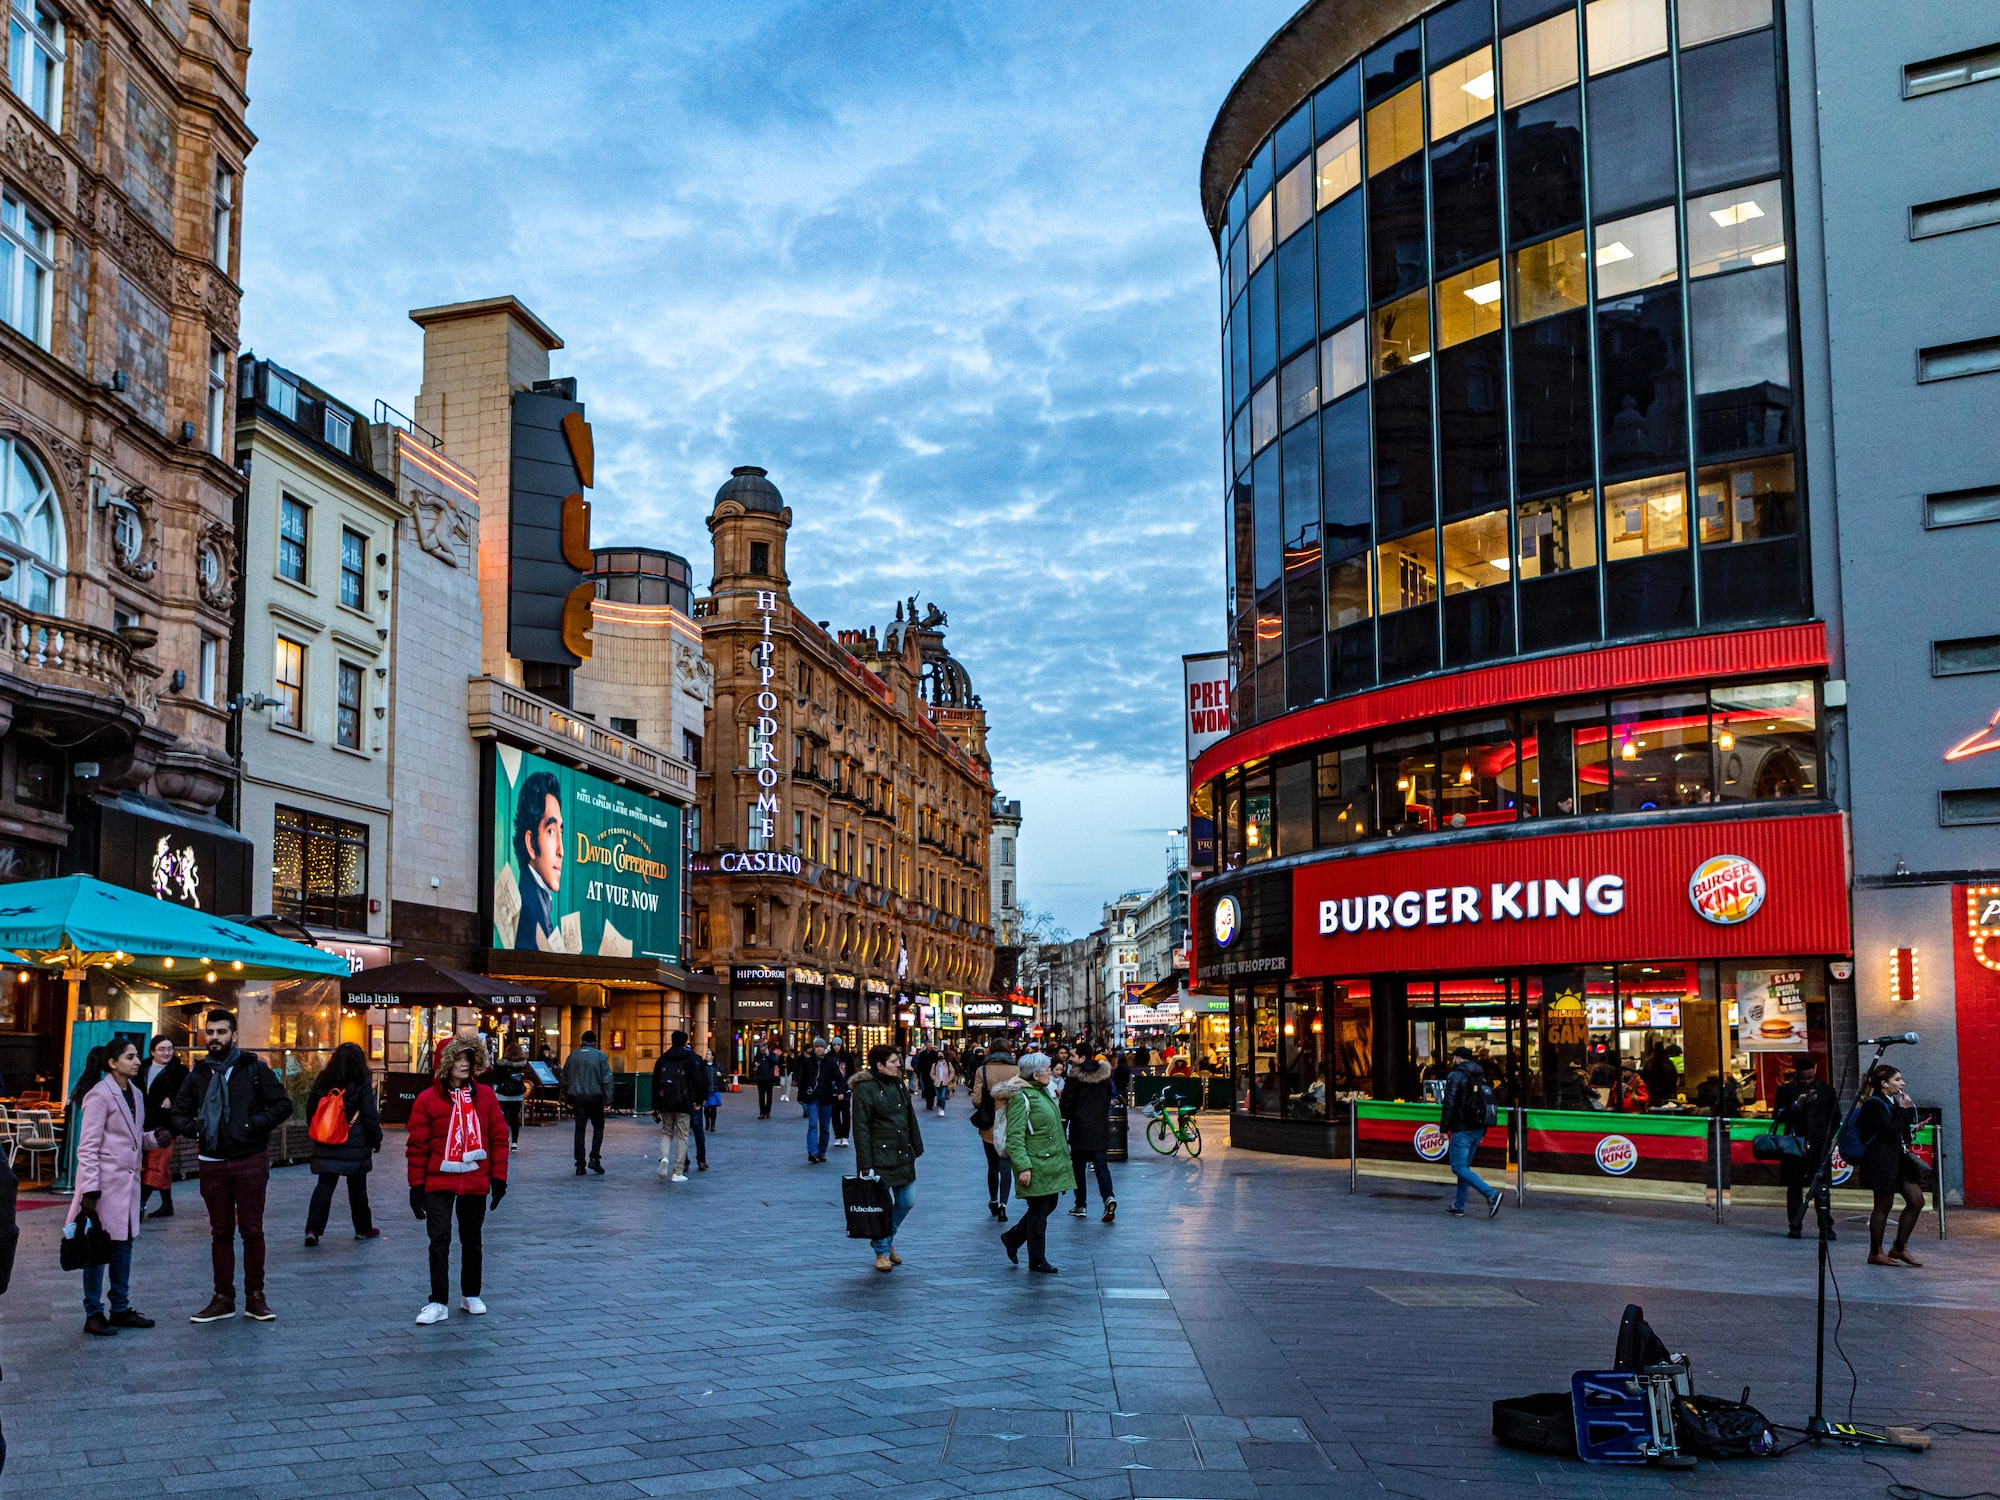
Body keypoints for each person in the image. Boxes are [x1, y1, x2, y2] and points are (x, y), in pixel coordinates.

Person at [172, 1009, 292, 1323]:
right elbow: (179, 1114)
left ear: (233, 1035)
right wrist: (198, 1130)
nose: (213, 1038)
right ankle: (223, 1298)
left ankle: (256, 1297)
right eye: (209, 1033)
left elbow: (282, 1105)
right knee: (221, 1231)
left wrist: (252, 1126)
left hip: (250, 1159)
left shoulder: (253, 1069)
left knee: (252, 1230)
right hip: (212, 1161)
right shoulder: (198, 1073)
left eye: (221, 1032)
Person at [406, 1036, 509, 1324]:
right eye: (458, 1059)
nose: (464, 1064)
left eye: (468, 1058)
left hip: (475, 1178)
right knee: (439, 1238)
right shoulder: (427, 1100)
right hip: (438, 1180)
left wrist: (498, 1178)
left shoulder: (485, 1096)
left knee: (471, 1239)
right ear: (445, 1063)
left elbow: (499, 1137)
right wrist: (416, 1186)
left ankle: (470, 1294)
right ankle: (438, 1301)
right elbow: (417, 1146)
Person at [68, 1035, 160, 1335]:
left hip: (128, 1184)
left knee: (123, 1246)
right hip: (104, 1187)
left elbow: (131, 1138)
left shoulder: (134, 1092)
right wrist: (90, 1189)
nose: (137, 1062)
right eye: (130, 1057)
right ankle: (93, 1312)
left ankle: (120, 1308)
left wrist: (153, 1139)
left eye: (137, 1056)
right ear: (112, 1063)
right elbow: (88, 1147)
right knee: (98, 1249)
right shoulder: (99, 1095)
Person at [994, 1052, 1074, 1273]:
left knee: (1050, 1205)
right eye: (1047, 1068)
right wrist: (1023, 1166)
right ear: (1036, 1074)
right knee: (1039, 1210)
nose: (1051, 1071)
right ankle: (1037, 1259)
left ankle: (1013, 1237)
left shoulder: (1041, 1092)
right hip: (1036, 1162)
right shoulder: (1022, 1097)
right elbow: (1015, 1135)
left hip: (1050, 1161)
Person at [851, 1044, 924, 1272]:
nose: (898, 1065)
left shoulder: (899, 1085)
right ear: (879, 1065)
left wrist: (916, 1146)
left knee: (907, 1201)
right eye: (893, 1062)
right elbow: (861, 1128)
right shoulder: (865, 1089)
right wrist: (866, 1165)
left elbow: (909, 1116)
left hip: (903, 1153)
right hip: (879, 1155)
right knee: (881, 1206)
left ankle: (885, 1238)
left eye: (898, 1060)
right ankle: (882, 1251)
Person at [303, 1042, 383, 1246]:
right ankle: (363, 1229)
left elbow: (311, 1107)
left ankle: (313, 1230)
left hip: (327, 1139)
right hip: (353, 1140)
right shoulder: (362, 1080)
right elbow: (369, 1114)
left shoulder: (325, 1078)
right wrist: (376, 1139)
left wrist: (320, 1129)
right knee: (357, 1187)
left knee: (324, 1186)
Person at [1854, 1063, 1925, 1268]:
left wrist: (1910, 1125)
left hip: (1897, 1161)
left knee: (1916, 1200)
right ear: (1884, 1083)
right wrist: (1903, 1111)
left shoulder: (1890, 1102)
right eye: (1897, 1080)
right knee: (1883, 1206)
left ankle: (1899, 1246)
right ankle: (1875, 1251)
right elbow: (1890, 1131)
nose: (1902, 1083)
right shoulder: (1874, 1104)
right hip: (1881, 1162)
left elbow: (1899, 1134)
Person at [1774, 1057, 1839, 1240]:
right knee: (1794, 1188)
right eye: (1803, 1079)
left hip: (1819, 1146)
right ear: (1797, 1075)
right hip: (1795, 1146)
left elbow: (1835, 1118)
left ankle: (1826, 1227)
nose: (1807, 1082)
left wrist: (1828, 1138)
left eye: (1810, 1078)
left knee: (1822, 1188)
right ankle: (1795, 1226)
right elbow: (1778, 1117)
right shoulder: (1786, 1091)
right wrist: (1797, 1104)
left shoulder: (1826, 1091)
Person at [1438, 1046, 1503, 1219]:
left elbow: (1449, 1104)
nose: (1452, 1060)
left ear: (1458, 1058)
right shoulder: (1480, 1075)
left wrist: (1444, 1128)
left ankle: (1491, 1194)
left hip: (1462, 1129)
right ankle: (1459, 1205)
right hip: (1478, 1128)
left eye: (1453, 1057)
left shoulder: (1456, 1076)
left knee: (1458, 1167)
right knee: (1463, 1168)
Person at [511, 768, 565, 950]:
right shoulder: (528, 912)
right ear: (531, 843)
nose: (561, 850)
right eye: (551, 831)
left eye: (561, 832)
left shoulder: (539, 899)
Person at [1060, 1046, 1117, 1223]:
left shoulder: (1074, 1079)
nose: (1069, 1058)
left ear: (1082, 1058)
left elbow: (1066, 1106)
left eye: (1073, 1056)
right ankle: (1108, 1197)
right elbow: (1108, 1099)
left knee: (1078, 1167)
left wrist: (1066, 1117)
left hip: (1080, 1129)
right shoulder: (1105, 1077)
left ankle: (1081, 1204)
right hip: (1100, 1127)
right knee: (1101, 1165)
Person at [969, 1042, 1019, 1220]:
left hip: (989, 1123)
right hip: (1011, 1122)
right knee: (1006, 1164)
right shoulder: (1016, 1071)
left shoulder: (982, 1071)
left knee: (992, 1165)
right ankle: (1004, 1204)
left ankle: (993, 1200)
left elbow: (976, 1100)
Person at [139, 1035, 186, 1219]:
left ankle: (140, 1204)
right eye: (162, 1049)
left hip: (166, 1127)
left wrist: (172, 1100)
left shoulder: (180, 1071)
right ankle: (167, 1205)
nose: (166, 1053)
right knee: (160, 1166)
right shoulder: (142, 1067)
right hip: (143, 1124)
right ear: (152, 1051)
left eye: (169, 1049)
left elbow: (189, 1095)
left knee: (156, 1164)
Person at [651, 1031, 704, 1182]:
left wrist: (655, 1105)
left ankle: (664, 1158)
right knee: (683, 1136)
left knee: (667, 1132)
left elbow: (655, 1083)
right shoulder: (689, 1060)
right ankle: (677, 1171)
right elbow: (697, 1081)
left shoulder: (662, 1059)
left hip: (666, 1102)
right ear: (685, 1042)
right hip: (683, 1102)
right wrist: (699, 1100)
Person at [562, 1030, 612, 1176]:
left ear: (582, 1040)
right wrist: (608, 1100)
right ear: (594, 1041)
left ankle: (579, 1164)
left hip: (578, 1098)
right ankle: (594, 1158)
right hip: (596, 1097)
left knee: (579, 1129)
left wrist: (567, 1097)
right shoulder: (600, 1056)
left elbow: (565, 1077)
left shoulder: (573, 1056)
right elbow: (607, 1079)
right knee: (598, 1127)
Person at [800, 1037, 847, 1161]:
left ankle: (822, 1152)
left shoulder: (830, 1062)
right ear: (813, 1048)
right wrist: (801, 1096)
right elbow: (803, 1080)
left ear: (825, 1048)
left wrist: (841, 1091)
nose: (819, 1049)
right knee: (813, 1124)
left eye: (821, 1047)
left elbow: (839, 1078)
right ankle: (812, 1152)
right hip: (813, 1098)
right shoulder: (808, 1062)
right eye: (817, 1047)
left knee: (825, 1127)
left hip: (826, 1098)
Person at [490, 1044, 529, 1146]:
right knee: (514, 1118)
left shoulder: (500, 1064)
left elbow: (495, 1079)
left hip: (503, 1094)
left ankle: (503, 1139)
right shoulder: (522, 1065)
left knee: (503, 1118)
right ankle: (514, 1143)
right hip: (517, 1094)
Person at [829, 1045, 854, 1148]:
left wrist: (849, 1086)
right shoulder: (829, 1057)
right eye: (834, 1045)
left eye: (838, 1045)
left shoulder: (847, 1057)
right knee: (834, 1114)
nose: (836, 1047)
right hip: (832, 1089)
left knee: (846, 1113)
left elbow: (852, 1072)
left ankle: (845, 1136)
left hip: (846, 1089)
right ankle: (838, 1135)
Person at [1641, 1042, 1679, 1109]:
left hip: (1653, 1093)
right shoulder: (1668, 1062)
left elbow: (1644, 1077)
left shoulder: (1649, 1063)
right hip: (1668, 1092)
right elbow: (1674, 1077)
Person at [752, 1043, 782, 1119]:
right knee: (761, 1096)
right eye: (760, 1049)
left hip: (769, 1078)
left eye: (763, 1050)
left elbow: (775, 1061)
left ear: (766, 1048)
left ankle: (768, 1112)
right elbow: (753, 1062)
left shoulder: (771, 1054)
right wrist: (755, 1064)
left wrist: (768, 1055)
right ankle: (762, 1112)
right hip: (760, 1078)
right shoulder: (758, 1055)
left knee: (769, 1096)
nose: (762, 1051)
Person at [914, 1043, 939, 1111]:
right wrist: (918, 1074)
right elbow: (919, 1064)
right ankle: (928, 1102)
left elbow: (938, 1063)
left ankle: (931, 1103)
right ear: (926, 1046)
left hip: (934, 1074)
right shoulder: (922, 1054)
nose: (929, 1046)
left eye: (930, 1045)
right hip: (925, 1074)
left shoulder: (935, 1053)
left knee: (932, 1088)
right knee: (927, 1088)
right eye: (928, 1045)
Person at [702, 1051, 723, 1132]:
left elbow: (723, 1074)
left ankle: (713, 1124)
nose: (706, 1055)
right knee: (706, 1108)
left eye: (708, 1054)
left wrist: (720, 1074)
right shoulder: (703, 1065)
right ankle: (707, 1122)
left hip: (715, 1089)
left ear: (712, 1057)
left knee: (714, 1108)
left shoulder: (717, 1065)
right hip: (706, 1090)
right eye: (706, 1054)